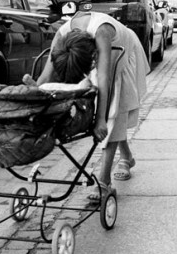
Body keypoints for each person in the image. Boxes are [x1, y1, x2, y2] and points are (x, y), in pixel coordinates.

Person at [23, 11, 150, 201]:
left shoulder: (102, 33)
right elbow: (46, 77)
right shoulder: (61, 35)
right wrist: (35, 94)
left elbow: (104, 80)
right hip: (98, 52)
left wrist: (100, 120)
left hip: (123, 50)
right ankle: (127, 156)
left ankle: (104, 181)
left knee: (115, 110)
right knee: (107, 108)